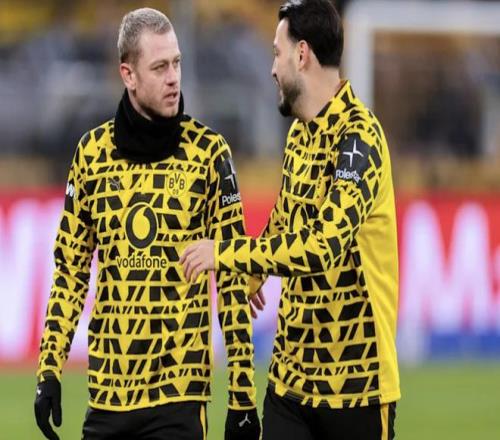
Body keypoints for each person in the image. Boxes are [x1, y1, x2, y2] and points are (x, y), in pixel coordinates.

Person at [34, 8, 260, 440]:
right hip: (108, 396)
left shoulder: (210, 154)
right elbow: (70, 272)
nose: (174, 78)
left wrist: (242, 396)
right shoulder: (91, 156)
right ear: (129, 75)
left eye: (177, 63)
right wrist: (49, 371)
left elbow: (231, 278)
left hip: (179, 398)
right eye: (159, 67)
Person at [181, 0, 400, 438]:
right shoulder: (299, 134)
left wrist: (227, 254)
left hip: (357, 387)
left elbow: (323, 246)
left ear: (302, 55)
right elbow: (285, 222)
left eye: (276, 53)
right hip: (290, 384)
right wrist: (253, 274)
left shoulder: (360, 138)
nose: (271, 69)